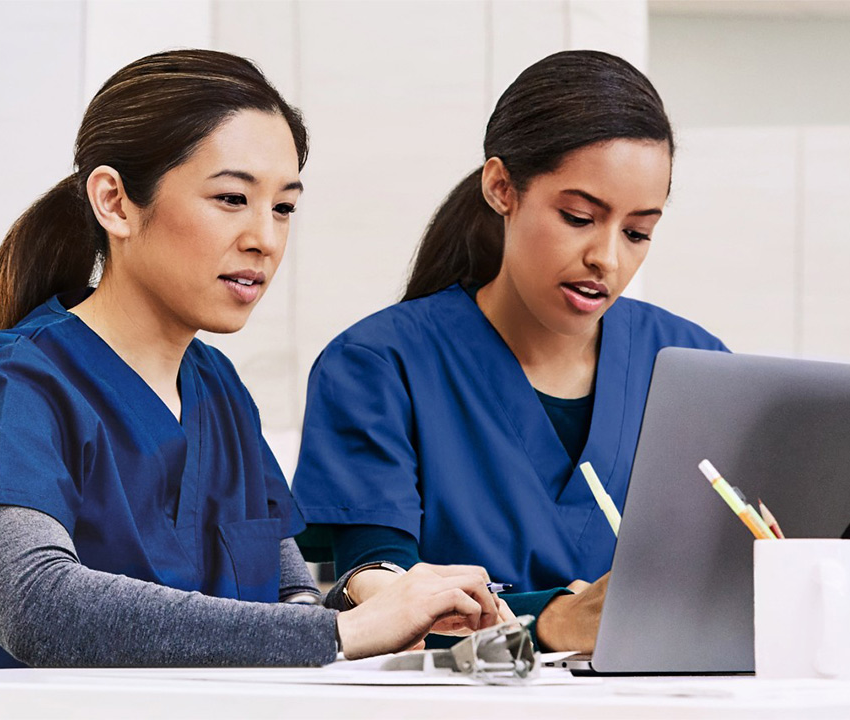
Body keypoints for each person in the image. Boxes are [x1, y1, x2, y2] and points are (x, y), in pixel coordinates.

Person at [0, 49, 502, 671]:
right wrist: (344, 632)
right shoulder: (12, 384)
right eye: (230, 199)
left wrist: (389, 609)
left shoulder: (218, 389)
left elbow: (287, 600)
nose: (264, 239)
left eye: (284, 206)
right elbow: (36, 605)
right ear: (115, 202)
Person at [290, 50, 728, 653]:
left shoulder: (693, 365)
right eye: (578, 217)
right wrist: (548, 620)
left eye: (637, 232)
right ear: (501, 188)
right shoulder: (378, 364)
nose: (608, 258)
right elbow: (382, 595)